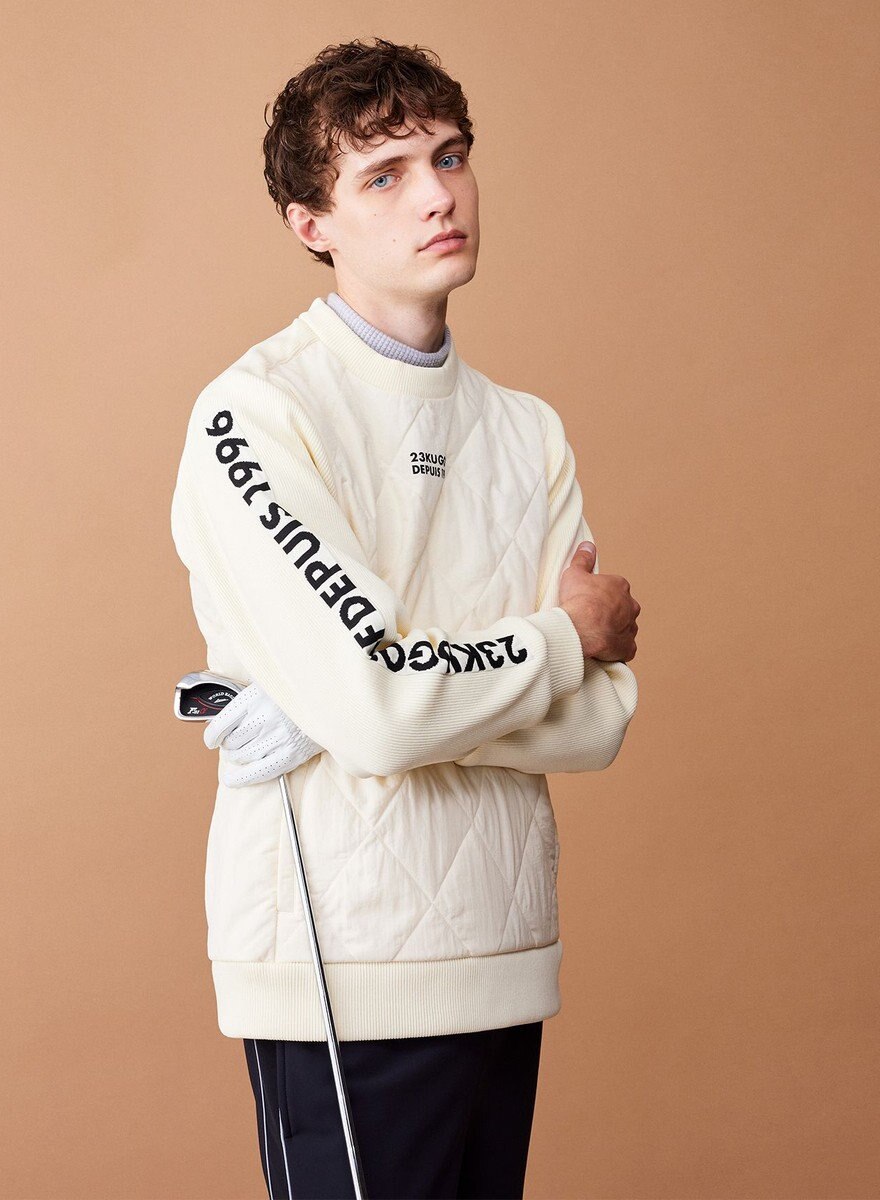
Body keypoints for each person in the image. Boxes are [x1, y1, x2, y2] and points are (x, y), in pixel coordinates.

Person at [169, 36, 640, 1200]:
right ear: (310, 223)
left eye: (450, 157)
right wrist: (550, 643)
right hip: (343, 963)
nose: (436, 194)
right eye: (383, 175)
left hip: (506, 948)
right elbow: (389, 710)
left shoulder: (526, 431)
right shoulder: (255, 416)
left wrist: (367, 697)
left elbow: (597, 722)